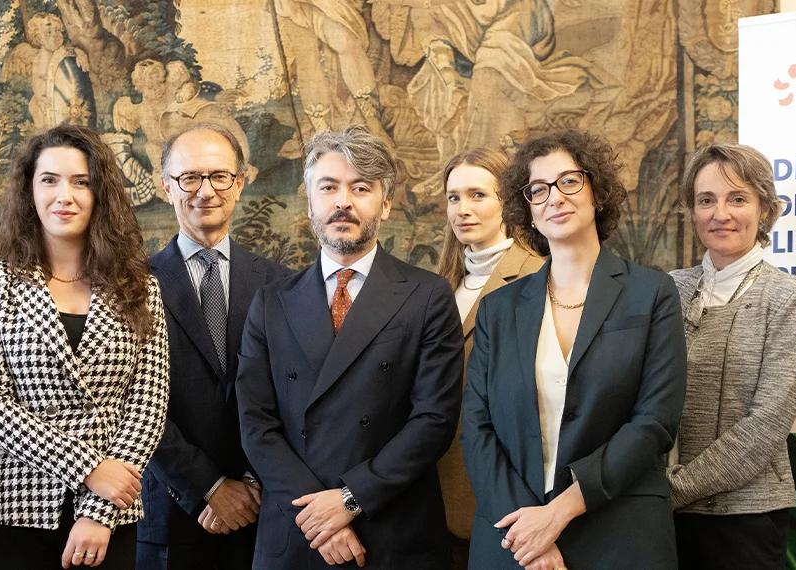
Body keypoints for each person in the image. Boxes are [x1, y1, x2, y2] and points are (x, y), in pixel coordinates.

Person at [236, 126, 464, 569]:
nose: (343, 201)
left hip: (391, 531)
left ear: (386, 203)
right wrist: (319, 516)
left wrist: (350, 499)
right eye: (329, 187)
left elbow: (434, 419)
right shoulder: (271, 302)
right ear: (310, 203)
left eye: (361, 188)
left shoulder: (427, 295)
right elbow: (255, 422)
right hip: (298, 532)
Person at [462, 130, 687, 570]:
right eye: (538, 189)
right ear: (528, 209)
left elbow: (655, 422)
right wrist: (529, 532)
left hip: (619, 532)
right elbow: (477, 427)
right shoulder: (498, 309)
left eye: (569, 181)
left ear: (596, 192)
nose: (555, 198)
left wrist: (558, 514)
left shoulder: (652, 293)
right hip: (514, 536)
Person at [0, 125, 170, 569]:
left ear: (100, 194)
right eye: (50, 180)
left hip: (111, 513)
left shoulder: (140, 288)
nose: (65, 196)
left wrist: (98, 510)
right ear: (29, 191)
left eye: (81, 182)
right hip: (11, 507)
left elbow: (148, 409)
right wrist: (88, 469)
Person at [138, 123, 292, 570]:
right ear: (166, 186)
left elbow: (294, 394)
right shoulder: (131, 286)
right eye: (190, 177)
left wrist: (251, 483)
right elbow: (129, 404)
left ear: (240, 183)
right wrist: (207, 487)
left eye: (220, 176)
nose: (206, 191)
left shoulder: (281, 284)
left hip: (263, 513)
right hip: (171, 515)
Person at [668, 143, 796, 569]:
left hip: (745, 520)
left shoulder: (789, 297)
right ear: (692, 212)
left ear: (764, 208)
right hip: (660, 517)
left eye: (737, 199)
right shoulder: (668, 289)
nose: (721, 214)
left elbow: (767, 423)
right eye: (706, 200)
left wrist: (675, 489)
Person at [432, 147, 544, 568]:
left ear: (508, 201)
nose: (463, 209)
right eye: (454, 197)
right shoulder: (439, 284)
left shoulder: (538, 276)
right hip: (433, 486)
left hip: (501, 490)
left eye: (477, 195)